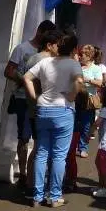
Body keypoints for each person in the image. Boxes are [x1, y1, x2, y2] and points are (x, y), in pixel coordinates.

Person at [23, 34, 84, 208]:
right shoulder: (73, 64)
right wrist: (71, 96)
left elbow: (26, 78)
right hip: (63, 110)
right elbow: (79, 82)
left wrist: (35, 97)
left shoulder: (45, 62)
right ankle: (55, 196)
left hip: (43, 109)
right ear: (73, 49)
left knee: (41, 153)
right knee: (59, 156)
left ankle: (37, 195)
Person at [3, 20, 57, 190]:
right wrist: (24, 80)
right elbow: (8, 71)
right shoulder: (22, 49)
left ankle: (34, 175)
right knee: (24, 137)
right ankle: (24, 174)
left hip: (43, 102)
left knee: (40, 138)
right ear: (40, 31)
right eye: (47, 35)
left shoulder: (52, 54)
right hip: (23, 99)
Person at [22, 30, 62, 198]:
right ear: (49, 45)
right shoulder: (45, 61)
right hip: (42, 110)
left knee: (39, 148)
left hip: (34, 109)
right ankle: (34, 186)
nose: (60, 48)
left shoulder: (34, 58)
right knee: (42, 149)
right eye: (58, 45)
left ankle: (32, 184)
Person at [77, 45, 104, 158]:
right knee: (75, 124)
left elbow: (99, 83)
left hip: (89, 100)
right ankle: (73, 146)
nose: (79, 56)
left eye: (82, 54)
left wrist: (87, 80)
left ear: (89, 56)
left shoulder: (96, 68)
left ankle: (83, 148)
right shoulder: (77, 67)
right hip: (76, 98)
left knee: (86, 126)